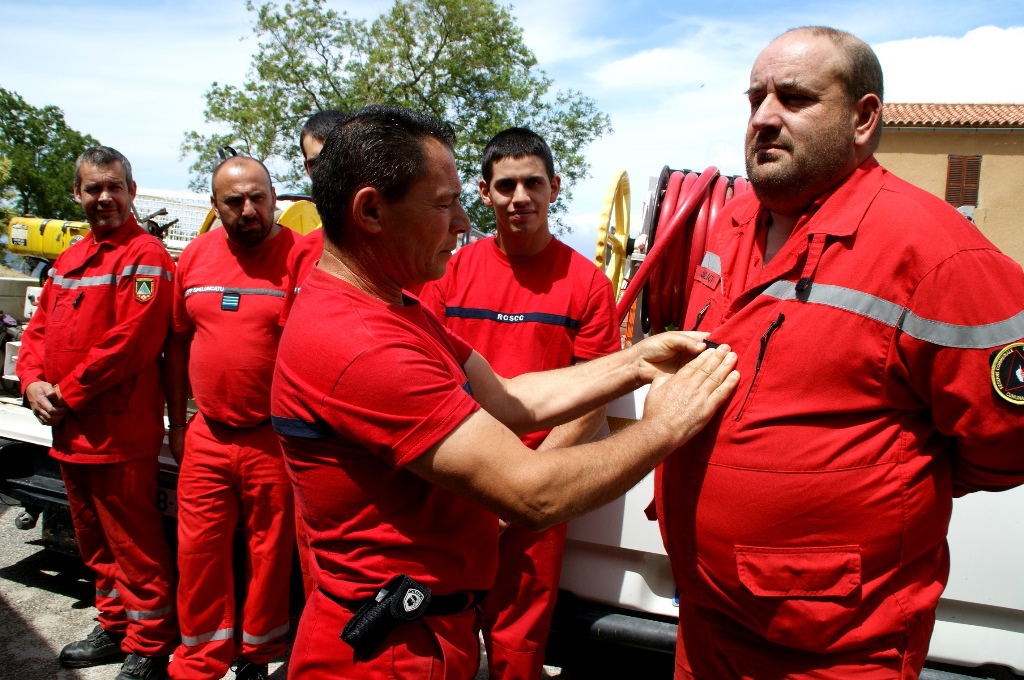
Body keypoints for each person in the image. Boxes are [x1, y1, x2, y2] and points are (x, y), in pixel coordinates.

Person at [270, 104, 740, 679]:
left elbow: (511, 398)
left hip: (421, 632)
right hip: (386, 653)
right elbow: (532, 495)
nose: (464, 222)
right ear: (370, 210)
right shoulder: (360, 343)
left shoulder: (397, 308)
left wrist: (634, 362)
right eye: (443, 204)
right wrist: (665, 427)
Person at [657, 26, 1024, 679]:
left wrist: (892, 479)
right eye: (755, 99)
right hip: (706, 621)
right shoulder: (734, 219)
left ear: (863, 118)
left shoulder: (937, 254)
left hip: (833, 652)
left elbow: (1009, 440)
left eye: (793, 98)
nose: (765, 117)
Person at [419, 127, 618, 680]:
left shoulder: (587, 284)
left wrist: (528, 481)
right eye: (505, 185)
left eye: (533, 183)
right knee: (440, 636)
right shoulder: (449, 273)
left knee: (519, 643)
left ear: (554, 188)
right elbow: (430, 376)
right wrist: (479, 477)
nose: (520, 197)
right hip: (456, 483)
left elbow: (593, 398)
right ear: (484, 193)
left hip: (537, 495)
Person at [16, 146, 178, 679]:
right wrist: (32, 380)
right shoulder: (70, 259)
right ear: (77, 195)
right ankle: (114, 626)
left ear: (131, 193)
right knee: (93, 541)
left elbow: (131, 342)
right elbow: (38, 329)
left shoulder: (146, 255)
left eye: (114, 187)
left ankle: (150, 645)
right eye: (93, 189)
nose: (104, 197)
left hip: (116, 432)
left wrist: (65, 394)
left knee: (134, 545)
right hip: (70, 431)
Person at [165, 157, 297, 680]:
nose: (249, 210)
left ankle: (257, 658)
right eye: (234, 201)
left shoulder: (301, 256)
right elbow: (177, 344)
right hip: (208, 434)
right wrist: (178, 423)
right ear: (214, 206)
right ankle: (200, 659)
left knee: (270, 556)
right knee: (197, 554)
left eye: (259, 197)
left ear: (273, 198)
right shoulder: (193, 258)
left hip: (273, 438)